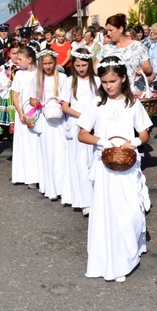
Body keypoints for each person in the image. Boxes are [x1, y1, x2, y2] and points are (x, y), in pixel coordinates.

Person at [77, 56, 152, 282]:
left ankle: (129, 253)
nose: (108, 86)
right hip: (105, 165)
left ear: (122, 79)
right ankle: (111, 261)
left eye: (113, 81)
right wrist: (102, 142)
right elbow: (82, 134)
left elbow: (144, 132)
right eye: (105, 81)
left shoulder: (132, 104)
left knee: (130, 213)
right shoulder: (96, 104)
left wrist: (136, 143)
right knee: (107, 213)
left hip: (128, 165)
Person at [29, 49, 72, 200]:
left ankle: (62, 187)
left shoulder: (62, 77)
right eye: (45, 63)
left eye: (50, 63)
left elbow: (67, 97)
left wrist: (59, 102)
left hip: (60, 118)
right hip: (45, 119)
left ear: (55, 62)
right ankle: (50, 187)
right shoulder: (37, 78)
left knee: (61, 152)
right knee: (47, 153)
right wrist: (40, 104)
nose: (48, 66)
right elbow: (31, 99)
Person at [63, 48, 101, 215]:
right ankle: (83, 200)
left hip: (95, 126)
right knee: (80, 162)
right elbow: (65, 106)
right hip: (77, 122)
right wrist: (85, 117)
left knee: (95, 161)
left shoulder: (98, 81)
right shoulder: (69, 81)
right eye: (77, 65)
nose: (81, 68)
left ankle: (97, 198)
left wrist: (93, 119)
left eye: (84, 65)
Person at [10, 46, 40, 188]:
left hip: (37, 112)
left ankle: (39, 175)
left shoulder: (39, 74)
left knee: (36, 145)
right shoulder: (20, 74)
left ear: (29, 59)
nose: (17, 61)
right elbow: (15, 95)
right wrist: (20, 112)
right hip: (23, 113)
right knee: (25, 144)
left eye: (20, 59)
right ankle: (27, 175)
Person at [0, 42, 20, 142]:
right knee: (11, 132)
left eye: (18, 53)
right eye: (14, 53)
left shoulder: (25, 66)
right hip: (9, 98)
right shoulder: (4, 68)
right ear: (9, 54)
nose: (16, 56)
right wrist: (6, 83)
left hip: (22, 98)